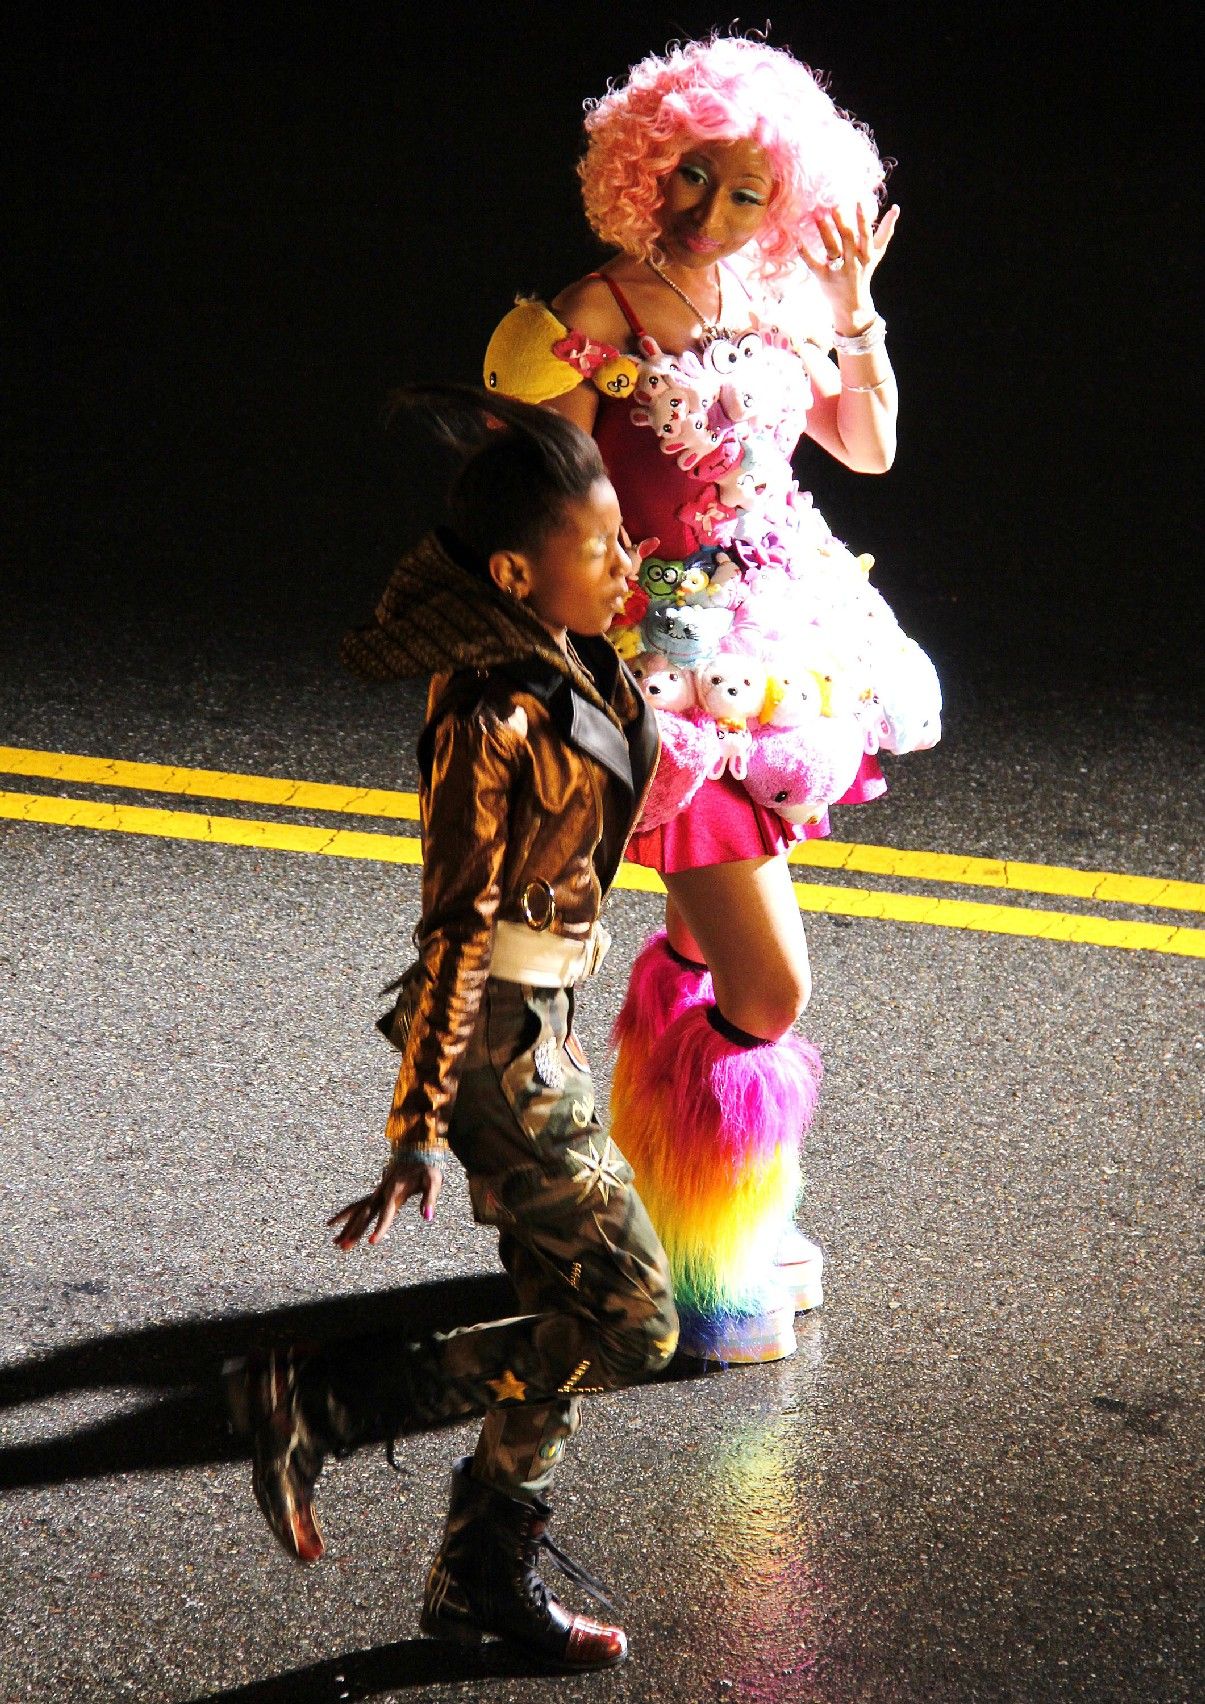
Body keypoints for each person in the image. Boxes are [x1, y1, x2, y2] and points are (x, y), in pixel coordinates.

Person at [483, 35, 938, 1364]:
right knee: (769, 988)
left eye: (747, 192)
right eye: (691, 178)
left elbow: (867, 446)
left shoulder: (785, 292)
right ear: (643, 166)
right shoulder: (596, 315)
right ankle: (694, 1226)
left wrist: (854, 310)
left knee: (726, 966)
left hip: (777, 649)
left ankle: (683, 1218)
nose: (712, 215)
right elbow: (529, 510)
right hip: (658, 680)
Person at [228, 386, 676, 1672]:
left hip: (549, 1023)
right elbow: (458, 928)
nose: (626, 562)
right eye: (603, 549)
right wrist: (415, 1130)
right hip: (496, 1045)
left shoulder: (571, 652)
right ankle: (322, 1396)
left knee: (560, 1300)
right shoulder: (487, 717)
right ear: (512, 571)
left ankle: (483, 1576)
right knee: (634, 1321)